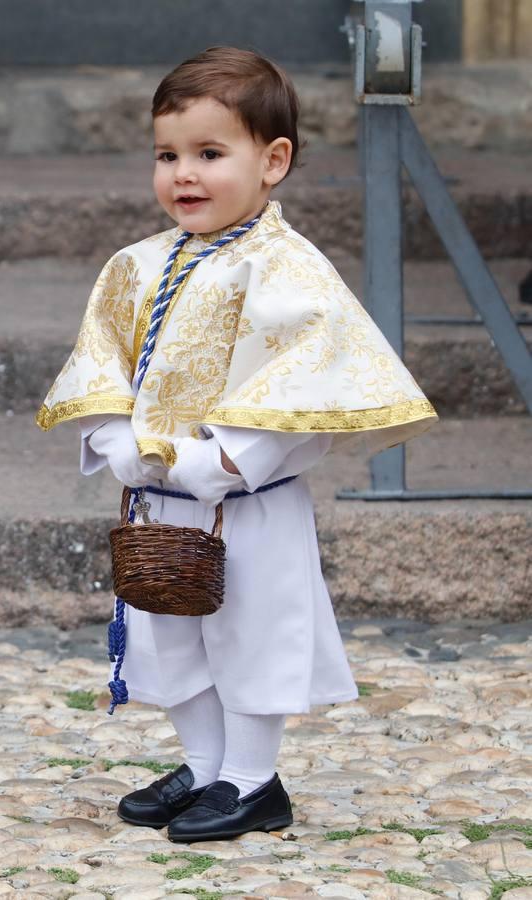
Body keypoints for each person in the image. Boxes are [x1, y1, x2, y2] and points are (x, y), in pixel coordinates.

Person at [36, 47, 436, 843]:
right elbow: (102, 361)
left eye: (210, 154)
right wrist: (117, 439)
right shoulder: (135, 266)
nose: (184, 174)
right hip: (155, 499)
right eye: (168, 155)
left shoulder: (286, 271)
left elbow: (304, 376)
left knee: (251, 638)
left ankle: (254, 779)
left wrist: (219, 459)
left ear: (273, 160)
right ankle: (207, 763)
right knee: (167, 634)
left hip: (244, 500)